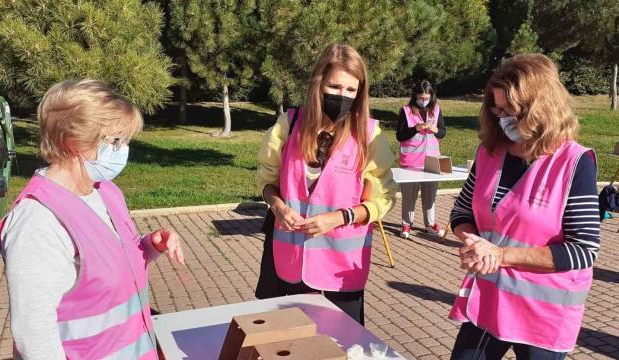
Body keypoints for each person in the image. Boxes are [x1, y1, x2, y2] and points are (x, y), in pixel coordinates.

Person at [0, 80, 185, 359]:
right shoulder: (37, 221)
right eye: (114, 141)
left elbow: (104, 266)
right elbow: (34, 338)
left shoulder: (104, 191)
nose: (123, 150)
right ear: (73, 142)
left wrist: (149, 245)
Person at [448, 54, 600, 359]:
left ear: (540, 107)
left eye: (511, 110)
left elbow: (584, 250)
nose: (502, 118)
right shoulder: (490, 152)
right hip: (490, 301)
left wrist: (501, 255)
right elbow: (461, 213)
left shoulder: (574, 162)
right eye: (497, 108)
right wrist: (472, 242)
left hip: (543, 315)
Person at [256, 43, 397, 325]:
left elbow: (384, 199)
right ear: (319, 84)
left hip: (341, 268)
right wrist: (278, 206)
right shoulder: (289, 124)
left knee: (343, 343)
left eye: (350, 90)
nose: (342, 96)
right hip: (290, 261)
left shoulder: (369, 134)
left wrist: (340, 217)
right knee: (289, 340)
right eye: (334, 87)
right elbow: (267, 182)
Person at [396, 80, 446, 239]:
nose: (423, 101)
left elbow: (443, 132)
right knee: (409, 195)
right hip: (410, 161)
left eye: (426, 98)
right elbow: (400, 135)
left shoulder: (436, 110)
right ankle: (406, 224)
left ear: (431, 97)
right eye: (420, 98)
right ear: (415, 96)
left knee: (430, 195)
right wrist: (416, 128)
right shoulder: (405, 111)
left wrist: (436, 130)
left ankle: (430, 224)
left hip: (431, 160)